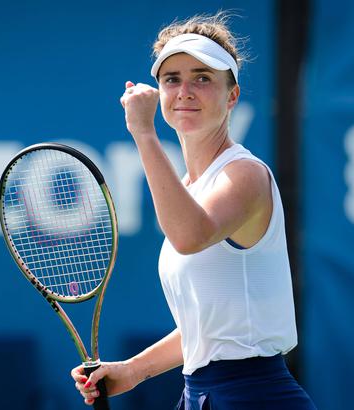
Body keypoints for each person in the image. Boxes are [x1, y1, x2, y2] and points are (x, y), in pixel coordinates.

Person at [71, 12, 316, 409]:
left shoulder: (247, 174)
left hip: (257, 396)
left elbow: (189, 237)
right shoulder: (188, 189)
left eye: (203, 78)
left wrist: (144, 133)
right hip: (201, 394)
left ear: (232, 95)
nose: (185, 90)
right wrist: (133, 371)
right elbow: (211, 328)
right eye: (172, 79)